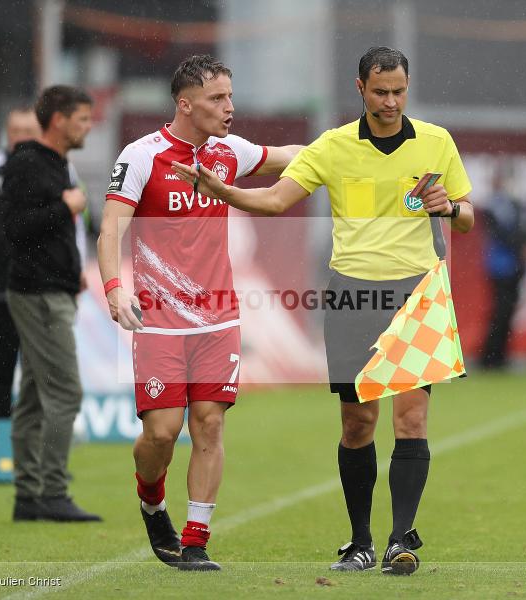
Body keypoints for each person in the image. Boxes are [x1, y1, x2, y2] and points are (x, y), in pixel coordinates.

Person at [172, 46, 474, 575]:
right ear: (359, 88)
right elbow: (273, 201)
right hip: (352, 294)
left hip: (417, 293)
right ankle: (359, 542)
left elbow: (467, 216)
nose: (390, 100)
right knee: (358, 425)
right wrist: (222, 191)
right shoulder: (332, 147)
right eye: (380, 91)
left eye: (399, 90)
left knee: (412, 419)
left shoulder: (436, 141)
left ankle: (400, 540)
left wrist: (450, 206)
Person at [97, 54, 301, 570]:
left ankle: (195, 539)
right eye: (217, 99)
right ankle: (151, 497)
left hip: (219, 319)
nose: (229, 107)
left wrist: (358, 146)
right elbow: (110, 229)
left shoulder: (229, 152)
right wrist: (115, 288)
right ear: (185, 104)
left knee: (209, 426)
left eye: (231, 96)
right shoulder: (143, 156)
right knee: (162, 434)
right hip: (160, 320)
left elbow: (296, 156)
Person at [0, 107, 88, 420]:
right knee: (1, 371)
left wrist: (75, 270)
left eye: (29, 131)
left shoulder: (60, 167)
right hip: (1, 289)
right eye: (16, 131)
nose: (22, 138)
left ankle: (41, 440)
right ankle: (2, 450)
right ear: (7, 132)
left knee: (42, 371)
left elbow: (74, 224)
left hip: (47, 288)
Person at [3, 85, 100, 522]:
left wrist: (71, 265)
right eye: (82, 118)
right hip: (39, 293)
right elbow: (16, 229)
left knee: (32, 396)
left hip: (52, 287)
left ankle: (28, 496)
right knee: (65, 390)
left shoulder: (57, 163)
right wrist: (66, 206)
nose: (88, 126)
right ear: (59, 120)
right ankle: (53, 492)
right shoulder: (28, 162)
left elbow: (47, 230)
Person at [480, 166, 526, 369]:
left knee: (508, 310)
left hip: (515, 265)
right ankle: (490, 356)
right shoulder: (496, 204)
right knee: (500, 310)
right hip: (501, 265)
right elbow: (504, 233)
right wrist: (522, 246)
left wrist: (525, 245)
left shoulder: (518, 204)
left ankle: (500, 355)